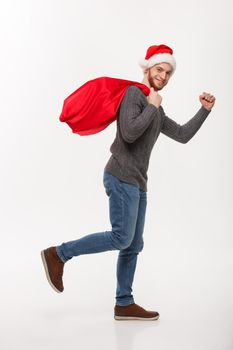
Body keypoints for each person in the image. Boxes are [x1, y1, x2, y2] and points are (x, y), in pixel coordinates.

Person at [41, 44, 216, 321]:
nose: (164, 76)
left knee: (133, 244)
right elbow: (131, 133)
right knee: (121, 237)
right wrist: (152, 105)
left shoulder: (156, 108)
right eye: (160, 69)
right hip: (120, 175)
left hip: (138, 182)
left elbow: (182, 135)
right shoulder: (134, 94)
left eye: (168, 72)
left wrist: (204, 110)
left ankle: (124, 303)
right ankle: (58, 254)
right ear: (147, 68)